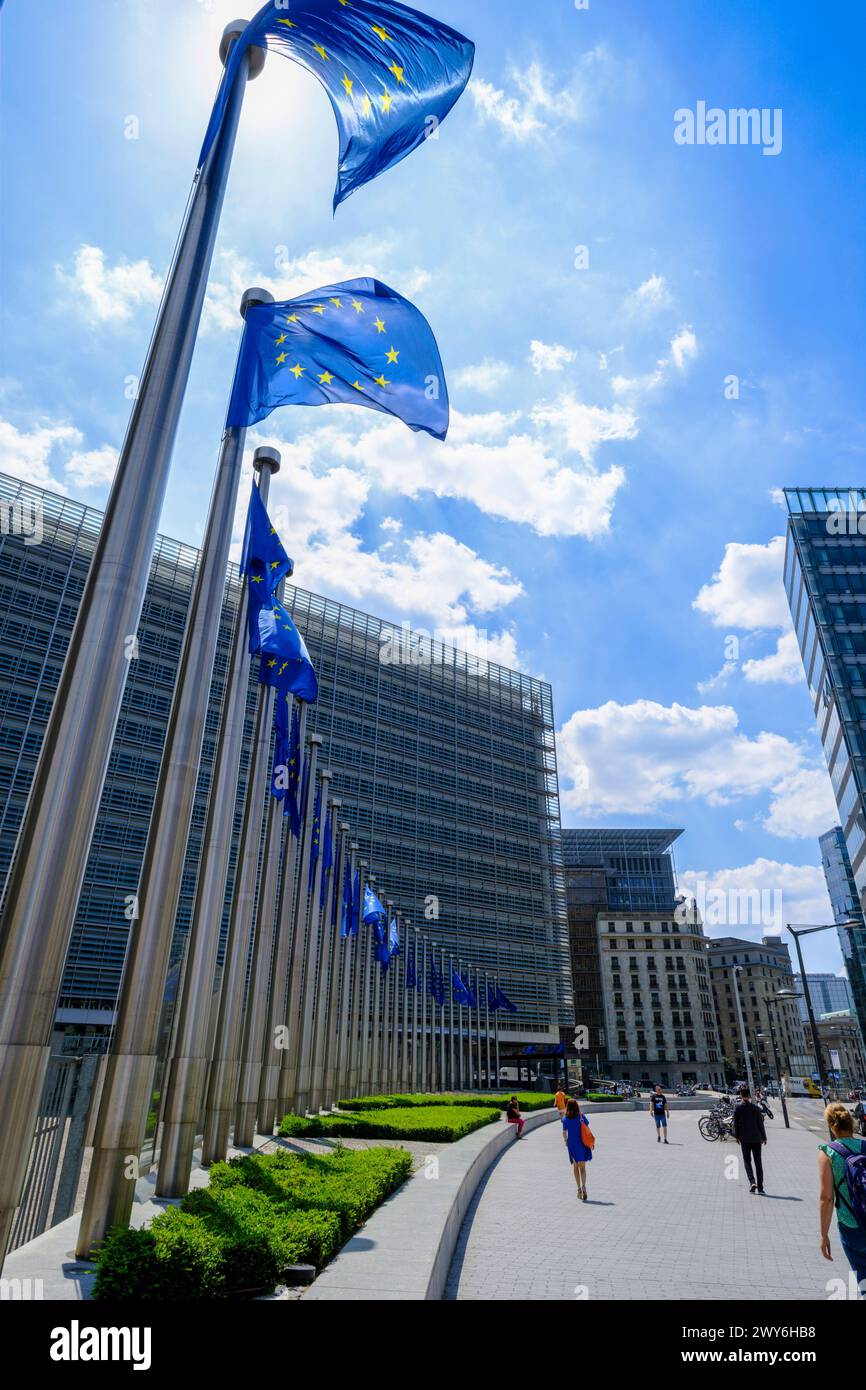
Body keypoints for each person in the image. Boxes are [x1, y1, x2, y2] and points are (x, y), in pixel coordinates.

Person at [819, 1101, 866, 1291]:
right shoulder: (864, 1146)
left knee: (862, 1276)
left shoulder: (828, 1152)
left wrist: (824, 1235)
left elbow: (826, 1198)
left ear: (831, 1126)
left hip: (851, 1224)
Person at [732, 1087, 768, 1194]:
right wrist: (764, 1137)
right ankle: (760, 1188)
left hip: (745, 1139)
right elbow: (760, 1124)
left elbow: (735, 1125)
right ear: (749, 1095)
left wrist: (737, 1136)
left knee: (747, 1161)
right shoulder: (756, 1108)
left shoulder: (738, 1109)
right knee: (758, 1163)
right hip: (757, 1139)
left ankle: (752, 1182)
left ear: (741, 1096)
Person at [562, 1097, 594, 1201]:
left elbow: (564, 1132)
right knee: (583, 1168)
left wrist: (566, 1141)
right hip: (582, 1144)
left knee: (575, 1168)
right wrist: (591, 1142)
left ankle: (579, 1189)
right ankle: (584, 1187)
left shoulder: (565, 1119)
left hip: (572, 1146)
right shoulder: (581, 1116)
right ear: (577, 1106)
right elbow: (587, 1129)